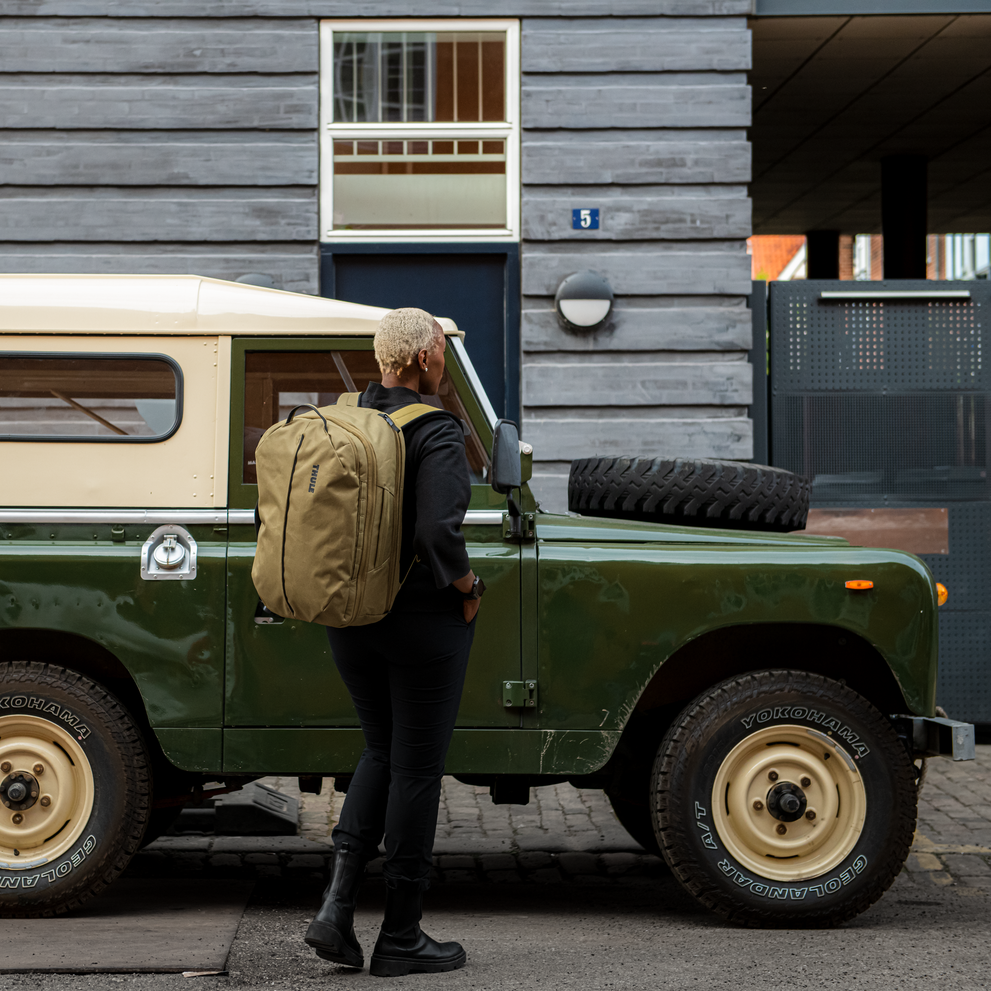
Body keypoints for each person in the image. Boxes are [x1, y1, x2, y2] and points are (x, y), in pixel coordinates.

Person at [304, 307, 484, 977]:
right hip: (419, 622)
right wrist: (467, 585)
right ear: (426, 358)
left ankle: (335, 908)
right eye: (440, 350)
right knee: (415, 768)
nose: (441, 361)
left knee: (378, 749)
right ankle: (401, 934)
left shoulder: (346, 415)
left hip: (348, 617)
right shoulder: (435, 429)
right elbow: (437, 534)